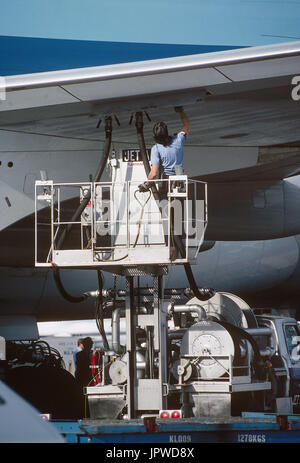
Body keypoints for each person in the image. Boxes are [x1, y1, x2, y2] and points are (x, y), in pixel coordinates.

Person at [139, 106, 190, 192]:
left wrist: (146, 184)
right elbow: (187, 126)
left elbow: (154, 173)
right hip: (180, 180)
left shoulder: (156, 149)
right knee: (180, 204)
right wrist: (181, 111)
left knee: (164, 204)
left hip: (166, 182)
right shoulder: (178, 140)